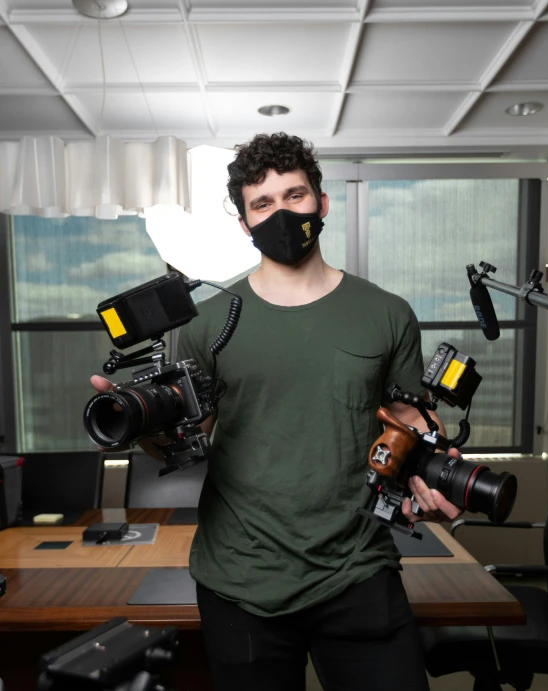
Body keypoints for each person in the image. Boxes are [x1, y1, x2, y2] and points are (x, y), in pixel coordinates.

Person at [92, 132, 462, 690]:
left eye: (295, 196)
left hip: (357, 568)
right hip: (241, 577)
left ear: (322, 203)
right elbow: (186, 442)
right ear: (244, 223)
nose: (281, 214)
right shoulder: (206, 323)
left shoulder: (386, 313)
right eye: (262, 204)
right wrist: (137, 423)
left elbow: (409, 421)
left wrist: (430, 474)